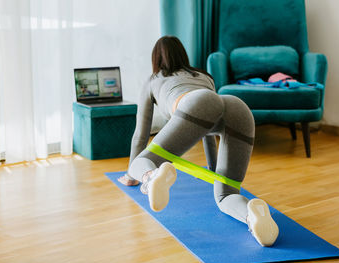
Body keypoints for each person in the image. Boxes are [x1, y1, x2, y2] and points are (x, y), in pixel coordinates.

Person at [118, 36, 279, 246]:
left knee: (139, 162)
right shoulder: (204, 76)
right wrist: (214, 169)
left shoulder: (153, 79)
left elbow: (141, 133)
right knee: (226, 193)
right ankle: (251, 216)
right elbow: (207, 125)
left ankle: (151, 176)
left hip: (195, 103)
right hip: (238, 108)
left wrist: (132, 175)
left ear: (156, 58)